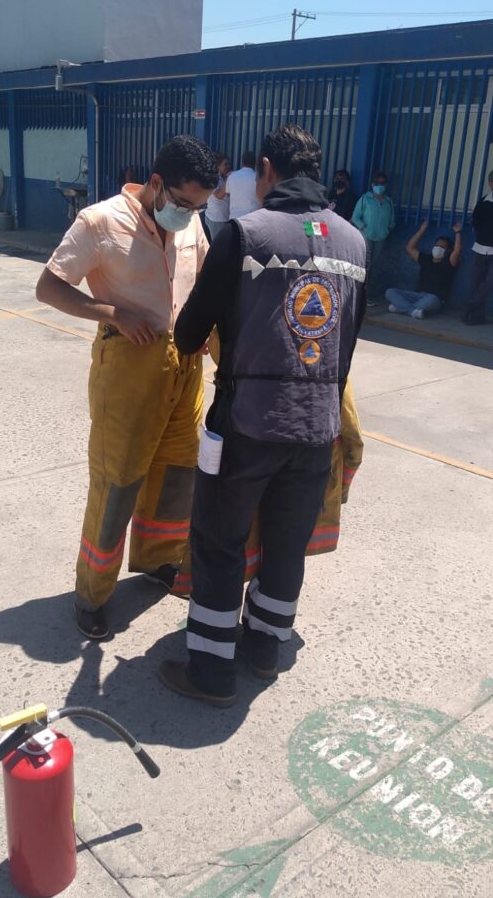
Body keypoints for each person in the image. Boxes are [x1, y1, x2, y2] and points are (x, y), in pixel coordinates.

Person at [157, 125, 367, 707]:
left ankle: (210, 670)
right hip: (317, 426)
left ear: (267, 170)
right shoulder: (355, 243)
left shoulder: (245, 234)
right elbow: (347, 342)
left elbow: (189, 332)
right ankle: (265, 647)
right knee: (286, 542)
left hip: (246, 423)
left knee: (219, 540)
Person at [36, 135, 218, 639]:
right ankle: (93, 593)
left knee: (176, 474)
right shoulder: (99, 221)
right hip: (128, 366)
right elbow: (49, 287)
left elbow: (203, 280)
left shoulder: (189, 220)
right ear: (156, 183)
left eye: (199, 207)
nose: (189, 214)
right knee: (116, 484)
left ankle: (159, 559)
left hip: (184, 365)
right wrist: (114, 312)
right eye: (183, 203)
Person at [385, 220, 462, 318]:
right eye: (436, 245)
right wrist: (422, 229)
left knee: (432, 300)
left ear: (448, 251)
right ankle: (412, 311)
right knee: (390, 292)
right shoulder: (426, 259)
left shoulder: (449, 263)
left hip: (434, 299)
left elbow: (457, 250)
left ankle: (400, 308)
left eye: (442, 247)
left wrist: (457, 232)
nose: (438, 248)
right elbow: (410, 247)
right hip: (417, 295)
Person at [352, 171, 395, 304]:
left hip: (381, 238)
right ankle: (358, 295)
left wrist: (388, 229)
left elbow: (392, 219)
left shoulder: (388, 201)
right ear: (372, 184)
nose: (380, 185)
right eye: (377, 183)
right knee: (365, 265)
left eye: (382, 183)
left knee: (373, 266)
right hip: (366, 237)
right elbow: (355, 217)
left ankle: (366, 295)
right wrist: (364, 227)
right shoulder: (365, 199)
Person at [463, 170, 493, 325]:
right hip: (480, 248)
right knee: (475, 283)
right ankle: (475, 316)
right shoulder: (483, 202)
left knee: (489, 282)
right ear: (490, 183)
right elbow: (475, 221)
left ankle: (471, 304)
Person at [204, 153, 231, 241]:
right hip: (217, 219)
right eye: (225, 164)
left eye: (228, 164)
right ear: (218, 166)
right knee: (218, 245)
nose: (228, 167)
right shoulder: (214, 179)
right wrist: (229, 178)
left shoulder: (221, 178)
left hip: (221, 218)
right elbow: (219, 195)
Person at [225, 150, 259, 219]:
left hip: (234, 218)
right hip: (252, 219)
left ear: (242, 162)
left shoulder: (232, 176)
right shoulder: (258, 178)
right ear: (255, 163)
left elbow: (228, 193)